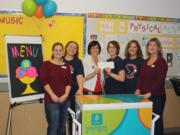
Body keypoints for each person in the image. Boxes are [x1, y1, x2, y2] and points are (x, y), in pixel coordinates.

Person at [135, 38, 168, 135]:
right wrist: (138, 88)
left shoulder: (161, 61)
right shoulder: (145, 61)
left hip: (157, 96)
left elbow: (160, 80)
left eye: (154, 45)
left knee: (156, 121)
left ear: (158, 48)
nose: (152, 47)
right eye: (150, 45)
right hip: (145, 97)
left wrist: (150, 93)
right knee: (147, 121)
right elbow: (140, 77)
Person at [39, 42, 71, 135]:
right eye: (56, 50)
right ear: (52, 52)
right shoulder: (46, 64)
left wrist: (65, 95)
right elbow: (44, 81)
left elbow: (69, 83)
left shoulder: (67, 66)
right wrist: (52, 95)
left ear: (63, 52)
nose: (58, 52)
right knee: (53, 127)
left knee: (62, 128)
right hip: (51, 101)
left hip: (65, 101)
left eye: (60, 50)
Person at [63, 41, 84, 135]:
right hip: (60, 93)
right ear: (66, 48)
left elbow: (79, 75)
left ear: (77, 51)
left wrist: (80, 88)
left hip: (73, 93)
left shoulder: (78, 62)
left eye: (75, 48)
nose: (72, 49)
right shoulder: (59, 59)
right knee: (61, 119)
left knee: (72, 118)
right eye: (70, 46)